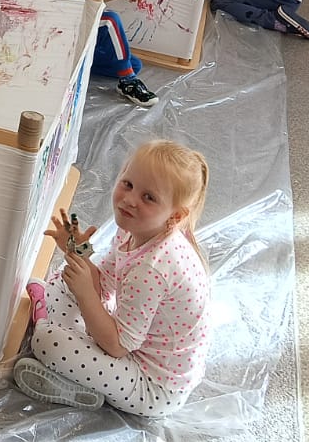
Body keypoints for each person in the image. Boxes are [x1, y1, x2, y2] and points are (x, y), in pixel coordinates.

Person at [13, 140, 211, 416]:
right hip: (131, 340)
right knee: (64, 280)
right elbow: (103, 285)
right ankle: (57, 326)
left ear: (175, 216)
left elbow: (118, 347)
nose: (130, 200)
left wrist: (85, 294)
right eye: (128, 184)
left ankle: (71, 380)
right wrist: (76, 251)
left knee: (48, 342)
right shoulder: (133, 230)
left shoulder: (151, 269)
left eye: (148, 197)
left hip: (152, 387)